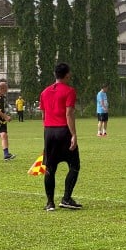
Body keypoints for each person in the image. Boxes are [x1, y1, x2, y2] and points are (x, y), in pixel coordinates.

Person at [39, 63, 82, 211]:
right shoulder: (70, 91)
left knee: (50, 168)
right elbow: (69, 114)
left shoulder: (44, 92)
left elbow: (43, 115)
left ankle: (50, 203)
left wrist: (48, 131)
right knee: (74, 165)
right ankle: (66, 198)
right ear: (67, 75)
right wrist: (74, 135)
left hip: (49, 132)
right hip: (63, 130)